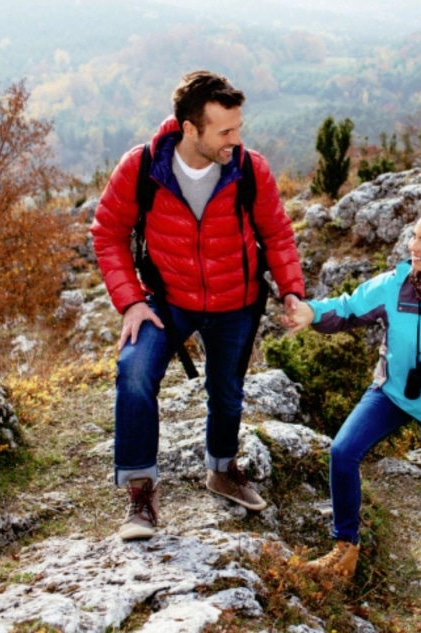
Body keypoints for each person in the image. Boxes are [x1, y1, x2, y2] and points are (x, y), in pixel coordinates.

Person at [91, 70, 305, 541]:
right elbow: (107, 234)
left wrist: (292, 290)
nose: (236, 139)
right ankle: (141, 495)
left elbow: (277, 232)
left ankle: (222, 470)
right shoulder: (142, 167)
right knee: (134, 371)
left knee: (227, 392)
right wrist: (129, 302)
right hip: (166, 301)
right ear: (190, 129)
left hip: (237, 301)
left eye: (238, 127)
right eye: (225, 131)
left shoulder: (250, 168)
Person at [283, 204, 421, 580]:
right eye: (414, 235)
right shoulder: (393, 286)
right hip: (394, 392)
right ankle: (345, 547)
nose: (413, 245)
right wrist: (311, 313)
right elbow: (348, 308)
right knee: (342, 452)